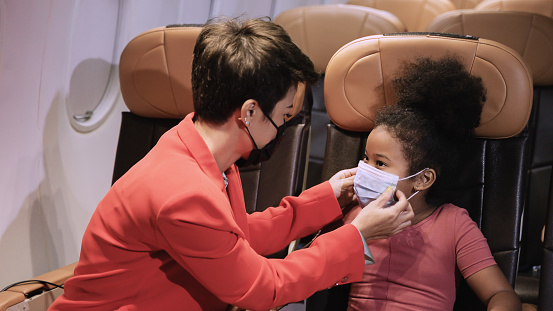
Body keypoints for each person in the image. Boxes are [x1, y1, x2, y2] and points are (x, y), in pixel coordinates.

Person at [48, 17, 414, 311]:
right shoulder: (183, 194)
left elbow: (239, 235)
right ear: (250, 112)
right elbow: (263, 288)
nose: (284, 128)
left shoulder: (201, 149)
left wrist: (332, 196)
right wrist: (356, 236)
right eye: (285, 116)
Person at [341, 56, 522, 310]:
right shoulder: (357, 216)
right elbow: (316, 269)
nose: (365, 171)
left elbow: (500, 294)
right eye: (365, 159)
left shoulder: (454, 224)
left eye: (380, 163)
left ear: (423, 179)